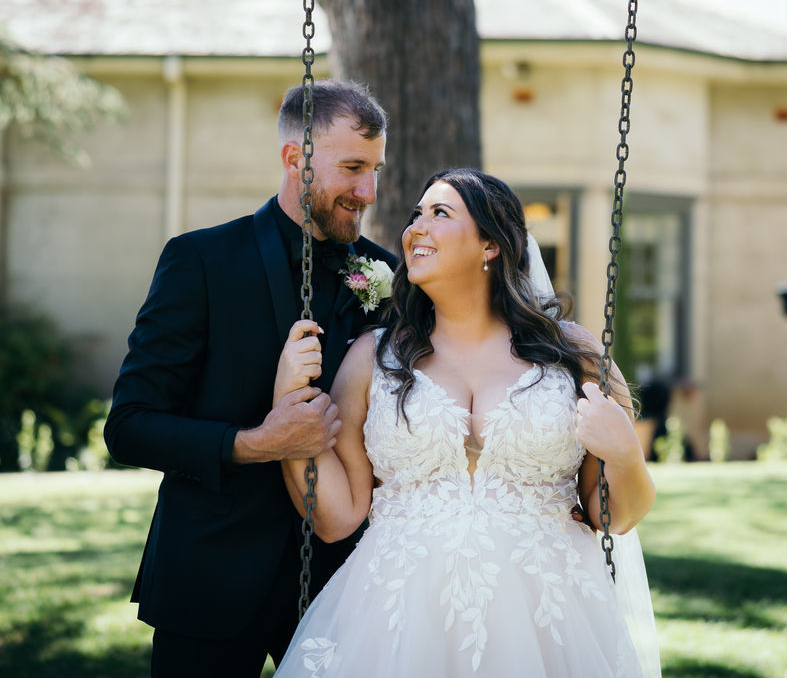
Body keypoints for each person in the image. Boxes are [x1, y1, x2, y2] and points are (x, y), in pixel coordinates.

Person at [274, 168, 660, 677]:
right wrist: (288, 400)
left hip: (550, 614)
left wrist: (626, 453)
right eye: (416, 215)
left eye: (440, 213)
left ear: (490, 246)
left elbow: (614, 517)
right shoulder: (374, 358)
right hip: (400, 614)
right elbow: (336, 516)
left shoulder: (572, 354)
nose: (415, 228)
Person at [103, 79, 395, 677]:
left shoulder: (387, 275)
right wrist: (257, 443)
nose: (367, 191)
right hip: (209, 576)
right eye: (352, 168)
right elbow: (129, 426)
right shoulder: (199, 261)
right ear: (294, 158)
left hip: (345, 584)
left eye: (375, 170)